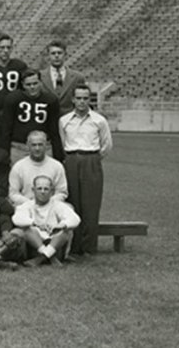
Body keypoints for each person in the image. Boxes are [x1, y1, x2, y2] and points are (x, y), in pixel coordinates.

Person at [59, 84, 112, 255]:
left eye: (85, 98)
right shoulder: (64, 120)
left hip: (91, 160)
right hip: (72, 161)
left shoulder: (99, 120)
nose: (82, 102)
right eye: (79, 98)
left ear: (90, 100)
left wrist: (92, 159)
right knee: (73, 203)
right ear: (73, 99)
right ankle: (74, 248)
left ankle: (89, 248)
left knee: (91, 205)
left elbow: (106, 145)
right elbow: (62, 143)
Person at [12, 176, 81, 267]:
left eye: (46, 189)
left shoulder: (58, 205)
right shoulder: (26, 205)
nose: (43, 192)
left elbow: (75, 219)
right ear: (33, 190)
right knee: (25, 230)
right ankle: (50, 257)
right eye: (39, 188)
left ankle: (39, 259)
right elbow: (17, 219)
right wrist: (34, 223)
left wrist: (62, 225)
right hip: (34, 245)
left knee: (66, 231)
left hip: (54, 244)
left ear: (52, 191)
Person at [1, 69, 63, 162]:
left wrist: (58, 154)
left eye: (35, 83)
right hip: (19, 148)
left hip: (44, 147)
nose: (32, 87)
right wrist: (5, 153)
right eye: (28, 85)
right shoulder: (12, 99)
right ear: (22, 84)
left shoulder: (51, 100)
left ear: (40, 82)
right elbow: (6, 128)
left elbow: (54, 129)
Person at [8, 131, 67, 206]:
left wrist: (46, 203)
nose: (37, 148)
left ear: (46, 145)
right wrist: (31, 204)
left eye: (40, 145)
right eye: (34, 145)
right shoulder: (18, 167)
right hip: (26, 206)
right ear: (28, 146)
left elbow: (62, 192)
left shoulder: (57, 166)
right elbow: (13, 194)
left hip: (51, 206)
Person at [41, 41, 86, 114]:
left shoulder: (77, 77)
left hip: (70, 121)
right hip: (47, 120)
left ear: (65, 55)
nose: (56, 56)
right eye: (53, 53)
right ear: (48, 56)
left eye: (59, 53)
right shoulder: (40, 77)